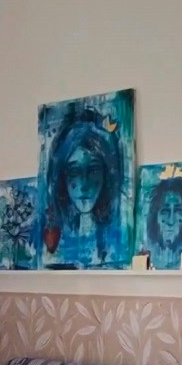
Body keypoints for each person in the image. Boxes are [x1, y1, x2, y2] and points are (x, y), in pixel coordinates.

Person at [44, 109, 125, 264]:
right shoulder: (58, 238)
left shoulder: (116, 238)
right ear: (62, 177)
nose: (84, 185)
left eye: (93, 170)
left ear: (106, 175)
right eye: (74, 171)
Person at [145, 177, 182, 269]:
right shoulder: (147, 249)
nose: (171, 221)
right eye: (165, 211)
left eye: (178, 211)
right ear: (155, 215)